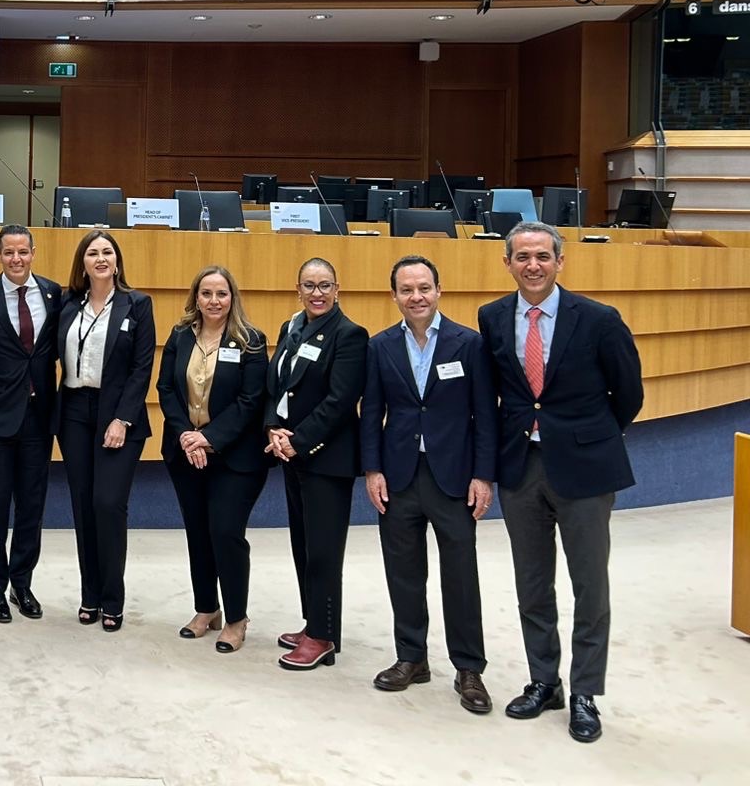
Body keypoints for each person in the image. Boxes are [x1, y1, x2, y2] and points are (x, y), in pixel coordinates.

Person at [478, 221, 643, 744]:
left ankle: (585, 692)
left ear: (560, 261)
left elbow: (629, 393)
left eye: (542, 256)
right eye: (523, 257)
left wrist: (590, 437)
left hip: (586, 470)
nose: (533, 265)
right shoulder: (492, 317)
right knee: (532, 584)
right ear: (508, 263)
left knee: (589, 586)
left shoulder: (598, 319)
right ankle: (544, 681)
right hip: (520, 467)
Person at [360, 255, 496, 713]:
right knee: (403, 571)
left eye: (424, 288)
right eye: (407, 289)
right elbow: (371, 414)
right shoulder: (379, 347)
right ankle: (411, 658)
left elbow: (486, 415)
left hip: (454, 477)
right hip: (398, 477)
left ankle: (469, 668)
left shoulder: (469, 344)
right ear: (394, 296)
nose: (416, 296)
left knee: (461, 575)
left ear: (439, 291)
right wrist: (372, 470)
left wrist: (483, 475)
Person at [155, 265, 269, 653]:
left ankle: (236, 618)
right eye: (206, 293)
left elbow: (251, 401)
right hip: (186, 453)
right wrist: (188, 436)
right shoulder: (180, 335)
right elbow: (166, 388)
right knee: (198, 532)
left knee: (225, 532)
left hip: (235, 457)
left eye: (221, 293)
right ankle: (206, 609)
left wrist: (208, 438)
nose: (214, 301)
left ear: (232, 297)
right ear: (196, 298)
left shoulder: (251, 340)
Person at [266, 256, 368, 671]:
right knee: (303, 546)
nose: (317, 293)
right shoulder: (291, 328)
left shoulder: (349, 335)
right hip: (293, 455)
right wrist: (273, 428)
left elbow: (340, 401)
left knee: (324, 551)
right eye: (309, 285)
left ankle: (323, 637)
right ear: (298, 290)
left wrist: (298, 441)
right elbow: (276, 385)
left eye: (325, 285)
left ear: (337, 289)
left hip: (327, 459)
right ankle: (314, 624)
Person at [54, 229, 155, 633]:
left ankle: (113, 598)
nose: (100, 258)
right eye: (92, 252)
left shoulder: (137, 304)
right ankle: (90, 595)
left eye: (107, 252)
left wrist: (122, 418)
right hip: (74, 412)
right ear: (82, 263)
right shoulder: (67, 304)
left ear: (117, 261)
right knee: (82, 505)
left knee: (108, 504)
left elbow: (142, 367)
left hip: (118, 416)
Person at [0, 224, 61, 623]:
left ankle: (22, 582)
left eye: (23, 252)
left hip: (39, 418)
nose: (16, 259)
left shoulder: (53, 294)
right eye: (9, 252)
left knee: (32, 507)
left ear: (33, 252)